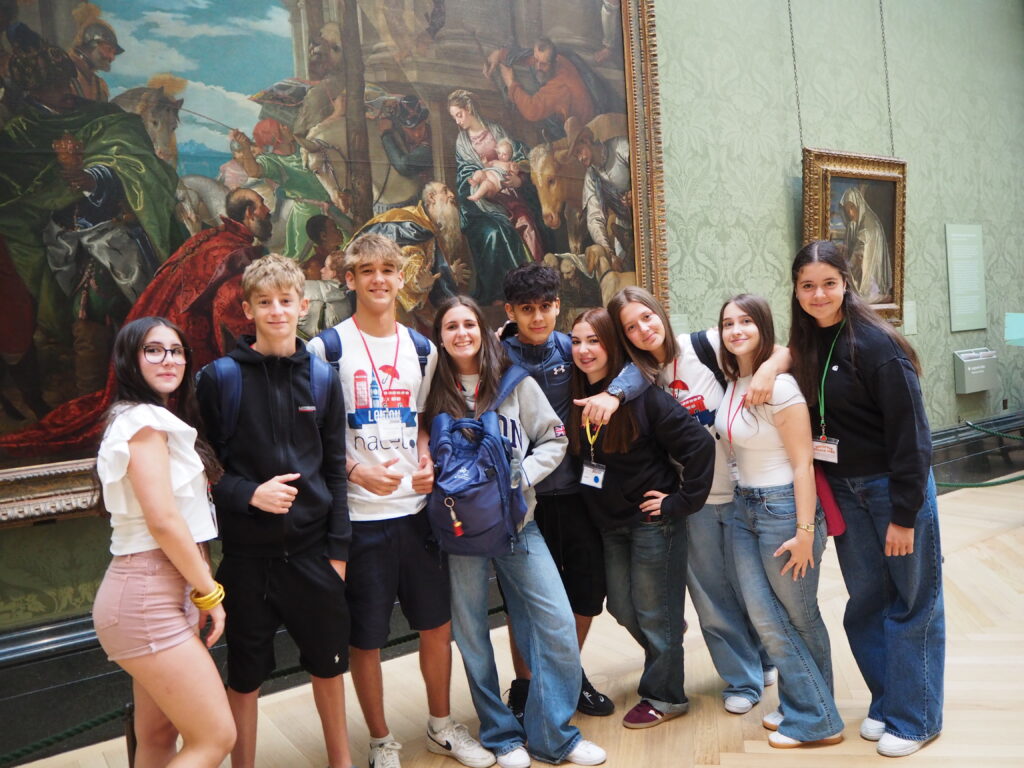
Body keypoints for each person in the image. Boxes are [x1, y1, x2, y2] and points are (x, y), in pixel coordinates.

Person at [307, 234, 493, 768]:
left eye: (389, 270)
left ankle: (440, 725)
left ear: (401, 276)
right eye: (367, 271)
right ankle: (381, 739)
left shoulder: (422, 349)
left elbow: (426, 423)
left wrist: (430, 459)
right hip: (359, 522)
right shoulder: (327, 350)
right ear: (350, 279)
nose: (379, 280)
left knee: (436, 625)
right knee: (366, 639)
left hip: (417, 517)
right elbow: (310, 440)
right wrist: (353, 469)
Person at [426, 294, 607, 768]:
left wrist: (520, 476)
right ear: (441, 337)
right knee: (472, 635)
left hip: (518, 526)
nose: (461, 333)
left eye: (469, 323)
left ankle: (554, 736)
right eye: (451, 327)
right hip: (460, 531)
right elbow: (418, 441)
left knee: (557, 623)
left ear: (483, 330)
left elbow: (554, 438)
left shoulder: (513, 382)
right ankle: (502, 735)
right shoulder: (432, 386)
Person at [195, 254, 353, 768]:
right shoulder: (220, 379)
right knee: (245, 675)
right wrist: (249, 494)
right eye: (265, 302)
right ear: (248, 309)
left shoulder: (326, 379)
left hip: (313, 555)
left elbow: (334, 468)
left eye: (286, 301)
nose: (277, 311)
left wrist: (339, 552)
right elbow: (203, 471)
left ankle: (341, 762)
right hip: (245, 560)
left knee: (329, 668)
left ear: (303, 306)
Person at [788, 240, 944, 758]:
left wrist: (904, 515)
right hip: (846, 494)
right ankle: (889, 699)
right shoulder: (807, 341)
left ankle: (917, 717)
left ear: (846, 283)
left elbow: (913, 436)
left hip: (893, 488)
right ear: (796, 289)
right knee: (867, 603)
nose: (818, 294)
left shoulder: (879, 344)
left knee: (913, 602)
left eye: (828, 283)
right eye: (807, 285)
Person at [597, 285, 781, 715]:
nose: (644, 329)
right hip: (694, 501)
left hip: (746, 490)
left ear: (660, 311)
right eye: (630, 326)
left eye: (647, 316)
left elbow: (778, 349)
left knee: (754, 588)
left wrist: (771, 369)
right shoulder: (637, 380)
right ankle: (742, 680)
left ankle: (767, 655)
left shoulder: (707, 345)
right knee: (712, 599)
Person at [0, 187, 269, 459]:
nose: (268, 212)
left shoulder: (213, 237)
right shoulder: (230, 252)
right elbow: (226, 308)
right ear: (248, 213)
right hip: (183, 336)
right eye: (262, 207)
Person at [499, 263, 647, 722]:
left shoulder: (572, 346)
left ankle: (568, 673)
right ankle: (524, 686)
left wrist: (615, 395)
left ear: (557, 306)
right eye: (527, 310)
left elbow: (636, 368)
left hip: (580, 493)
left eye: (546, 307)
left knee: (586, 593)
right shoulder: (496, 355)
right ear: (511, 312)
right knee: (523, 600)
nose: (538, 317)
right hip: (522, 500)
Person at [93, 316, 235, 766]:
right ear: (130, 359)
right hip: (147, 595)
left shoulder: (141, 418)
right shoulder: (144, 422)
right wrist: (209, 593)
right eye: (153, 350)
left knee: (157, 735)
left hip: (151, 593)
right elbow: (164, 520)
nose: (168, 359)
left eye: (176, 351)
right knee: (215, 738)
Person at [0, 44, 178, 398]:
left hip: (112, 233)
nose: (68, 91)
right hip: (54, 243)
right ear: (33, 91)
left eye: (69, 80)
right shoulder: (17, 136)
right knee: (80, 322)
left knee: (138, 298)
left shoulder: (108, 118)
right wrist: (60, 183)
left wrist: (91, 178)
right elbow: (15, 201)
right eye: (55, 86)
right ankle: (88, 399)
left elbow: (135, 164)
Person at [567, 307, 715, 729]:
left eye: (594, 340)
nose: (584, 350)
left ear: (613, 344)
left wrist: (680, 501)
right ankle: (666, 640)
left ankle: (666, 696)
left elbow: (699, 447)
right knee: (624, 608)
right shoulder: (577, 395)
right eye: (577, 341)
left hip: (653, 522)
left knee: (653, 614)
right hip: (611, 524)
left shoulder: (643, 397)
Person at [714, 293, 843, 749]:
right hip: (744, 507)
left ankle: (816, 717)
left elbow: (804, 465)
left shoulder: (781, 387)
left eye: (746, 321)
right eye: (728, 323)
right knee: (765, 616)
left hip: (783, 508)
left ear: (763, 326)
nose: (736, 331)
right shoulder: (737, 381)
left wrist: (805, 532)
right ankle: (806, 704)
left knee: (798, 614)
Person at [447, 89, 546, 302]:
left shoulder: (496, 130)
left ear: (469, 109)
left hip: (509, 193)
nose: (457, 121)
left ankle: (533, 285)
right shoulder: (462, 142)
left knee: (526, 222)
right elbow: (464, 175)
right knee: (496, 231)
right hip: (480, 205)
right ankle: (503, 291)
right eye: (454, 117)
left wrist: (518, 180)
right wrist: (479, 181)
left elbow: (517, 159)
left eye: (459, 115)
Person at [354, 181, 470, 328]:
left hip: (416, 305)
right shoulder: (412, 224)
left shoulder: (431, 227)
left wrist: (448, 275)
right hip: (395, 308)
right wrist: (418, 281)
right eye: (445, 191)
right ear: (432, 197)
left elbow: (432, 270)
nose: (452, 195)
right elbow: (408, 261)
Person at [229, 118, 341, 262]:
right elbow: (254, 172)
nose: (286, 127)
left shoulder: (302, 148)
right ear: (277, 138)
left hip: (333, 208)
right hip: (308, 215)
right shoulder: (272, 161)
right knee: (306, 259)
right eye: (281, 127)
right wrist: (245, 147)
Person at [564, 116, 633, 270]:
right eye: (576, 156)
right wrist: (609, 253)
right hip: (625, 229)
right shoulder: (591, 177)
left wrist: (637, 195)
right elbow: (594, 218)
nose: (580, 158)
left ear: (587, 141)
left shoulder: (620, 147)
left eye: (579, 151)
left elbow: (649, 172)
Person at [837, 187, 892, 303]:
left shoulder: (868, 225)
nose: (850, 213)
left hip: (869, 283)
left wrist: (844, 264)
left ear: (858, 204)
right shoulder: (855, 223)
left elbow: (859, 256)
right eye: (847, 210)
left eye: (852, 208)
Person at [67, 3, 123, 102]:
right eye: (109, 49)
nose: (112, 57)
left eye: (114, 53)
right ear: (91, 44)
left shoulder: (99, 86)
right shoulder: (62, 73)